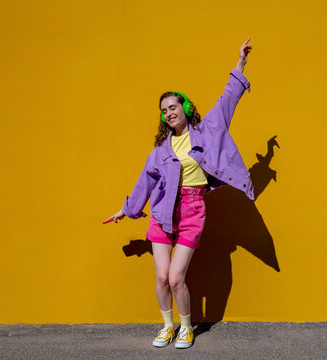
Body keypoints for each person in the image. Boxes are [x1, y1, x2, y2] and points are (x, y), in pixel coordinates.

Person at [104, 38, 254, 349]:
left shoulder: (208, 130)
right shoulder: (159, 151)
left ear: (185, 108)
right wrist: (127, 209)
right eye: (164, 110)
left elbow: (228, 99)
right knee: (160, 279)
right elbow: (144, 182)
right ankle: (168, 326)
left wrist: (240, 63)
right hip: (161, 213)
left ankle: (186, 328)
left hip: (191, 210)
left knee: (175, 278)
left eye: (174, 106)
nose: (169, 112)